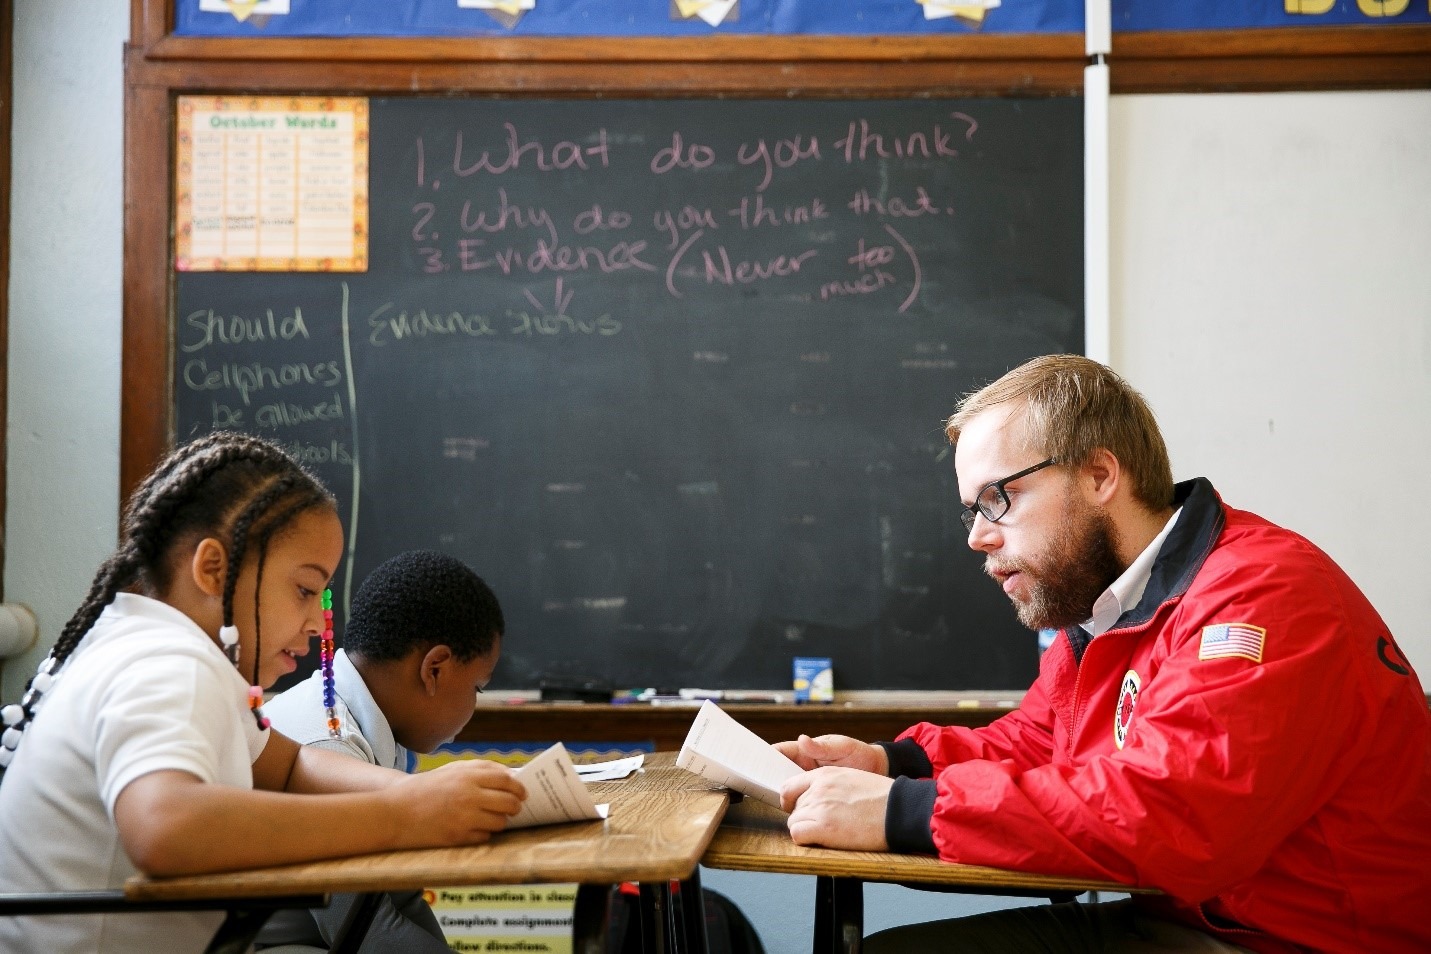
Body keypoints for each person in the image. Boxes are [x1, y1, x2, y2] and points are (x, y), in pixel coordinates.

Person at [775, 355, 1431, 953]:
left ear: (1097, 474)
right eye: (970, 511)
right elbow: (1040, 743)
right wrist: (892, 761)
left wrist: (903, 810)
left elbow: (1171, 813)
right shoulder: (1107, 605)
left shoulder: (1262, 596)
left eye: (997, 499)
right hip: (1187, 918)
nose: (977, 537)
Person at [0, 432, 527, 954]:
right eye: (303, 590)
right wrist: (405, 816)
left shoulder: (165, 652)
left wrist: (412, 792)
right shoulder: (168, 665)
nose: (320, 627)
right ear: (213, 570)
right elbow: (166, 828)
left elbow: (291, 767)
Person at [257, 549, 507, 952]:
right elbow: (364, 934)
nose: (473, 706)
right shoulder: (328, 741)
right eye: (477, 688)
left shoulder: (372, 731)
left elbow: (399, 896)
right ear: (435, 669)